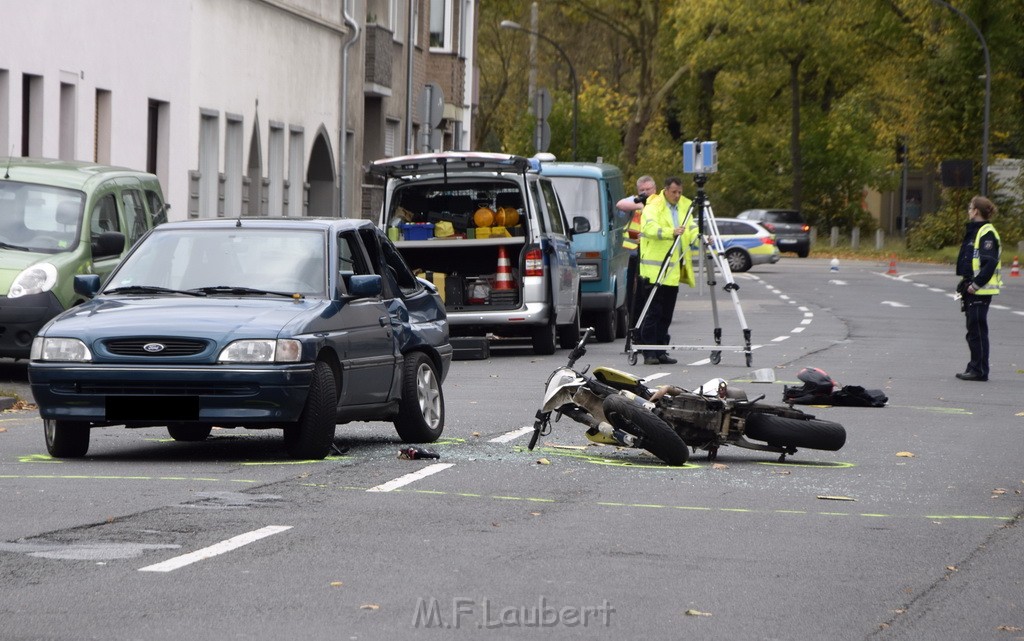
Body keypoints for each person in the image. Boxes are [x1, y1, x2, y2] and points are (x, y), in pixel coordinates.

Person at [637, 176, 697, 365]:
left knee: (666, 314)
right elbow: (649, 228)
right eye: (674, 192)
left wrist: (701, 237)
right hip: (654, 271)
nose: (678, 196)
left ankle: (661, 350)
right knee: (653, 313)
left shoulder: (683, 207)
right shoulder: (654, 206)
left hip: (672, 271)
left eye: (680, 192)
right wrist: (671, 231)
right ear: (665, 190)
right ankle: (649, 352)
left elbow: (692, 228)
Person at [954, 195, 1002, 382]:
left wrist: (975, 284)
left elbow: (989, 262)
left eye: (970, 207)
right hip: (973, 289)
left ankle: (979, 369)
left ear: (976, 211)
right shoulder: (975, 231)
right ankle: (975, 365)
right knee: (973, 329)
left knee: (977, 329)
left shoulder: (986, 233)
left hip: (980, 290)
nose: (968, 210)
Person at [616, 175, 658, 324]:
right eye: (642, 190)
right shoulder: (636, 201)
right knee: (634, 296)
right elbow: (620, 204)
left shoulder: (660, 203)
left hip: (654, 257)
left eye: (648, 189)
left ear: (655, 189)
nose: (645, 193)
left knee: (651, 294)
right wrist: (640, 205)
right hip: (635, 256)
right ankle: (635, 326)